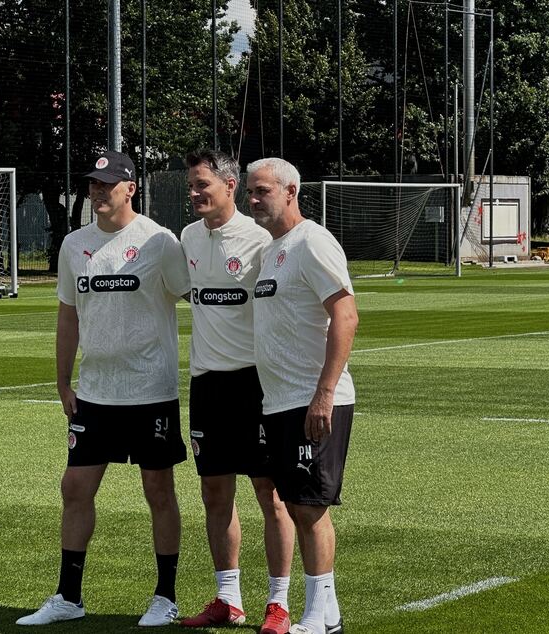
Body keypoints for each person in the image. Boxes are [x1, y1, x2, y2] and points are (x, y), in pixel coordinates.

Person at [16, 150, 192, 628]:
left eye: (107, 184)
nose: (97, 192)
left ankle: (165, 596)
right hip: (95, 391)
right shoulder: (74, 244)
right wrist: (61, 379)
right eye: (92, 184)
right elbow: (68, 315)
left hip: (150, 389)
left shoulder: (160, 240)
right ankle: (68, 596)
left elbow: (193, 297)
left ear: (130, 187)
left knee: (158, 489)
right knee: (74, 487)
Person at [177, 150, 296, 634]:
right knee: (213, 491)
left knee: (271, 495)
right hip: (207, 384)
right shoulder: (187, 238)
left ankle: (279, 602)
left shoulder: (260, 241)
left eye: (201, 184)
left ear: (229, 186)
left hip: (256, 383)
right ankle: (229, 598)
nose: (193, 193)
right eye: (190, 185)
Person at [246, 157, 359, 634]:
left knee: (311, 508)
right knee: (296, 504)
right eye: (249, 191)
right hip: (278, 401)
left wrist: (324, 394)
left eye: (263, 191)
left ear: (291, 192)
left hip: (313, 398)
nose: (253, 200)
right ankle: (326, 612)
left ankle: (317, 616)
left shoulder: (312, 241)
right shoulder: (272, 251)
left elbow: (346, 316)